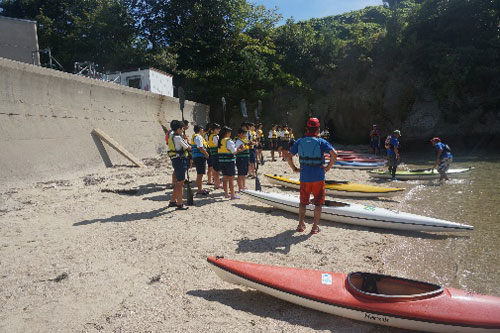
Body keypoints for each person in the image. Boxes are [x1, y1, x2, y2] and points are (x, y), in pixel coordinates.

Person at [286, 117, 337, 235]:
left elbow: (288, 156)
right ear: (318, 129)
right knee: (318, 203)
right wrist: (328, 168)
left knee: (303, 202)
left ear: (307, 128)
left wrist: (294, 169)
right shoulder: (321, 142)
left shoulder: (299, 141)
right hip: (318, 176)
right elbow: (334, 154)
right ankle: (314, 227)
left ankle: (300, 224)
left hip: (304, 176)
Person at [167, 120, 191, 210]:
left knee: (178, 182)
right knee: (181, 182)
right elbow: (188, 147)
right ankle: (180, 203)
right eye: (181, 129)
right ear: (178, 129)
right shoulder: (178, 138)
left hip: (175, 160)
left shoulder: (171, 135)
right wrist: (185, 139)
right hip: (180, 160)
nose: (182, 130)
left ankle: (172, 201)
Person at [217, 126, 239, 199]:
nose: (230, 134)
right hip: (229, 162)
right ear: (227, 133)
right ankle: (232, 195)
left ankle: (226, 194)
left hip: (222, 162)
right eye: (230, 132)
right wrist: (239, 149)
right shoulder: (228, 141)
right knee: (231, 179)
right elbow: (234, 152)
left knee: (225, 178)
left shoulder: (220, 140)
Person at [191, 125, 210, 196]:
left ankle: (200, 189)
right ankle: (199, 190)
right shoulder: (198, 137)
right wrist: (206, 154)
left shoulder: (195, 136)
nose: (203, 131)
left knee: (200, 174)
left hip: (197, 156)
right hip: (200, 157)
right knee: (200, 174)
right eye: (202, 129)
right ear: (200, 129)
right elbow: (200, 147)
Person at [207, 123, 222, 190]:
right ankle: (217, 184)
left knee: (215, 170)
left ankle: (217, 183)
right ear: (213, 130)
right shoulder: (215, 136)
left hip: (212, 154)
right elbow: (218, 145)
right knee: (217, 171)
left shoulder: (210, 136)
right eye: (217, 129)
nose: (219, 130)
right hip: (216, 155)